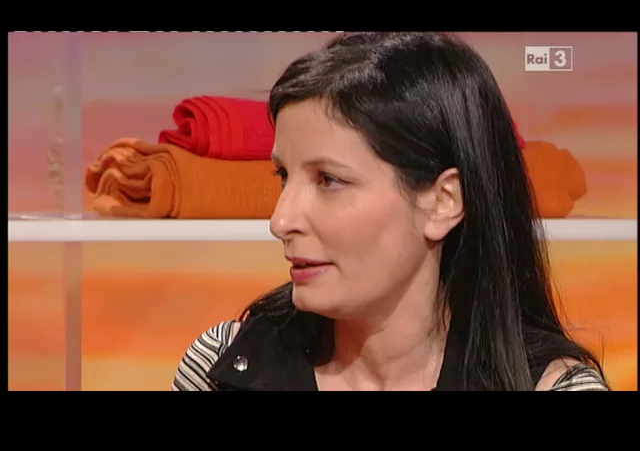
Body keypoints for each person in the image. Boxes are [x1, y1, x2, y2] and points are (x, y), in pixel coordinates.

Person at [172, 32, 610, 391]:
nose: (280, 221)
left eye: (328, 180)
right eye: (283, 176)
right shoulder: (220, 367)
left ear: (443, 201)